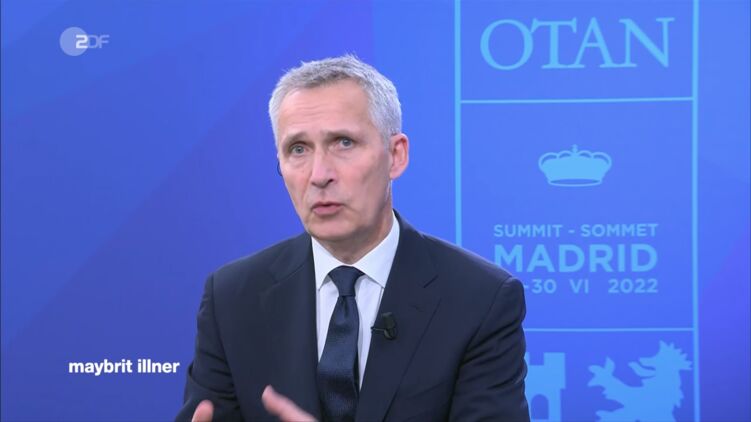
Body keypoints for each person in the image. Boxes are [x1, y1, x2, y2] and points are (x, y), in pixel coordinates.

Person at [176, 55, 529, 422]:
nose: (319, 174)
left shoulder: (479, 299)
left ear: (395, 155)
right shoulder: (232, 298)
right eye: (298, 149)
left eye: (343, 142)